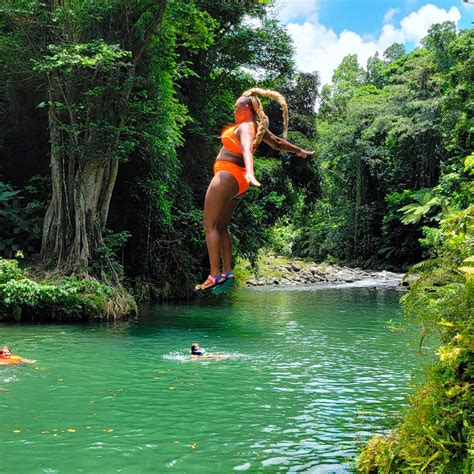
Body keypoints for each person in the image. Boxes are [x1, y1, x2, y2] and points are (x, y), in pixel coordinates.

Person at [195, 87, 313, 291]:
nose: (233, 111)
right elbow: (276, 142)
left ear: (244, 107)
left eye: (235, 107)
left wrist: (250, 171)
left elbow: (246, 149)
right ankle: (227, 272)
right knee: (222, 227)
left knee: (210, 226)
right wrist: (298, 150)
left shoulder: (245, 127)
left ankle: (214, 274)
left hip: (228, 176)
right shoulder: (257, 127)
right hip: (238, 182)